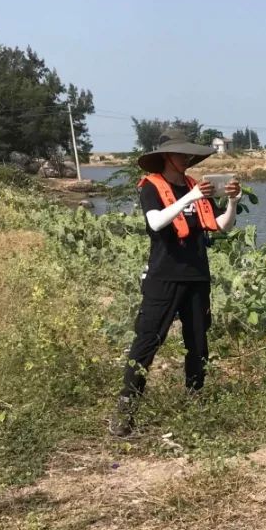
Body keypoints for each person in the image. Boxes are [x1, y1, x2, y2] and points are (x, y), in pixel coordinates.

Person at [109, 129, 241, 436]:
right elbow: (155, 222)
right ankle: (126, 410)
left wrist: (232, 202)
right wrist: (191, 198)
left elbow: (221, 224)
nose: (187, 159)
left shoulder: (196, 186)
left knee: (198, 343)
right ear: (167, 156)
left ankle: (195, 401)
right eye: (182, 154)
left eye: (189, 154)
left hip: (197, 277)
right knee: (147, 341)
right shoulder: (152, 187)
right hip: (164, 277)